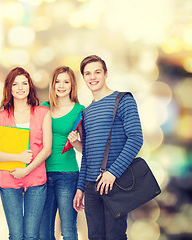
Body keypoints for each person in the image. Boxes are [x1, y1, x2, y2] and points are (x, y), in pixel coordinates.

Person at [73, 55, 143, 239]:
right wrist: (81, 188)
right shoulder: (86, 112)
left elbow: (136, 139)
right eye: (87, 73)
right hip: (91, 186)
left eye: (97, 72)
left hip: (116, 183)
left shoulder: (123, 100)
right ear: (83, 77)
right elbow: (87, 154)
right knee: (94, 236)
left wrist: (113, 173)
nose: (92, 77)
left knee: (115, 236)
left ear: (105, 74)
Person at [0, 67, 52, 240]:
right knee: (15, 235)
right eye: (15, 84)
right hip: (9, 180)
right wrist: (17, 158)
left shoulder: (43, 113)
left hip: (36, 179)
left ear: (30, 86)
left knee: (31, 235)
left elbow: (47, 149)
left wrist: (26, 169)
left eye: (24, 83)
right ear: (9, 88)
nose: (20, 88)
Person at [40, 66, 84, 240]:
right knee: (44, 231)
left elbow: (84, 149)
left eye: (66, 81)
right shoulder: (44, 108)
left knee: (68, 230)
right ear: (52, 84)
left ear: (72, 85)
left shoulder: (79, 110)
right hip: (43, 173)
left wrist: (75, 141)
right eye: (58, 81)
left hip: (68, 174)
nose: (61, 85)